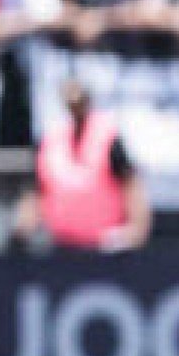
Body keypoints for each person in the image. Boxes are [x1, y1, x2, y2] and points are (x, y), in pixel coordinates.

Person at [19, 78, 150, 252]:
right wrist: (26, 222)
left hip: (105, 245)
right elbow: (37, 187)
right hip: (59, 245)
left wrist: (137, 228)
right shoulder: (52, 138)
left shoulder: (107, 136)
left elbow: (131, 183)